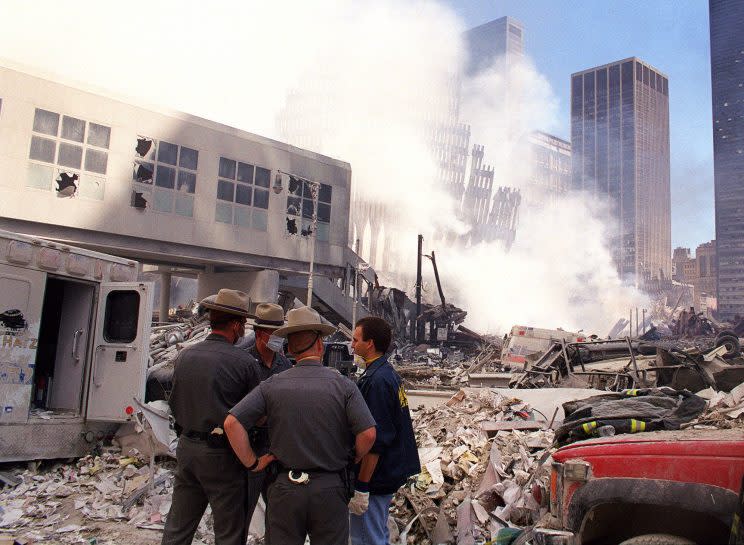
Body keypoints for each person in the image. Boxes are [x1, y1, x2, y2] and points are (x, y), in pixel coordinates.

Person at [224, 306, 377, 545]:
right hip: (330, 488)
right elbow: (368, 433)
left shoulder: (272, 385)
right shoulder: (343, 385)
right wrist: (353, 457)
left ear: (291, 347)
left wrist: (253, 462)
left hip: (285, 488)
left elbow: (232, 423)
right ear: (319, 343)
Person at [162, 289, 260, 545]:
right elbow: (254, 415)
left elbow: (174, 401)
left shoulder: (185, 356)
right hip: (223, 456)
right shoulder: (244, 362)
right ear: (237, 325)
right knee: (229, 531)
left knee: (178, 526)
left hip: (187, 448)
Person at [349, 317, 420, 545]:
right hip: (384, 473)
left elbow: (375, 439)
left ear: (369, 344)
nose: (352, 345)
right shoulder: (386, 374)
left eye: (355, 339)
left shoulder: (377, 381)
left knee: (369, 537)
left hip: (375, 477)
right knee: (367, 535)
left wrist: (362, 486)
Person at [243, 303, 292, 539]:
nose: (279, 340)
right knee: (243, 510)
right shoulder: (244, 363)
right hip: (250, 448)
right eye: (275, 334)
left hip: (277, 449)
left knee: (278, 514)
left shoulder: (285, 365)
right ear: (260, 334)